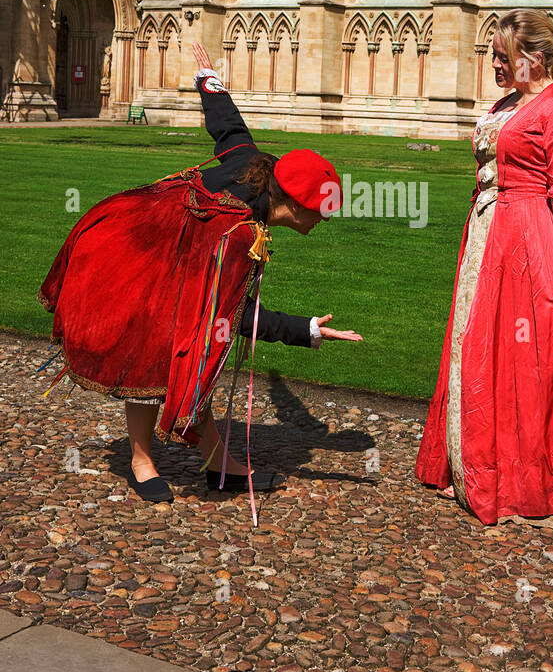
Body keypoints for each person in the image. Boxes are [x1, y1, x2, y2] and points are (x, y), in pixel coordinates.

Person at [38, 40, 362, 505]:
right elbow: (235, 314)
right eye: (317, 212)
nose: (321, 221)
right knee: (158, 349)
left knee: (186, 354)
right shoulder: (235, 232)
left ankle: (217, 464)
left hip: (148, 239)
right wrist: (304, 330)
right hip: (133, 251)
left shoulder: (254, 165)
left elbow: (227, 127)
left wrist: (210, 81)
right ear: (291, 204)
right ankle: (143, 461)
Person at [415, 9, 553, 531]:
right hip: (489, 234)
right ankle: (477, 463)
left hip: (531, 241)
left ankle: (532, 486)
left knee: (530, 358)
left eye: (504, 57)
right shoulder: (509, 104)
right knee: (483, 346)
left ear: (535, 58)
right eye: (494, 55)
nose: (494, 65)